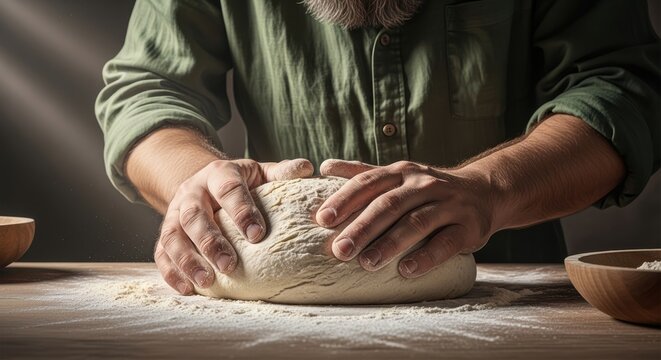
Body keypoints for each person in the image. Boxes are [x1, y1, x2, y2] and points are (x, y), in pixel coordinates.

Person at [96, 0, 660, 295]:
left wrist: (491, 190)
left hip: (513, 288)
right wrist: (194, 180)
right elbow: (147, 88)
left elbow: (624, 86)